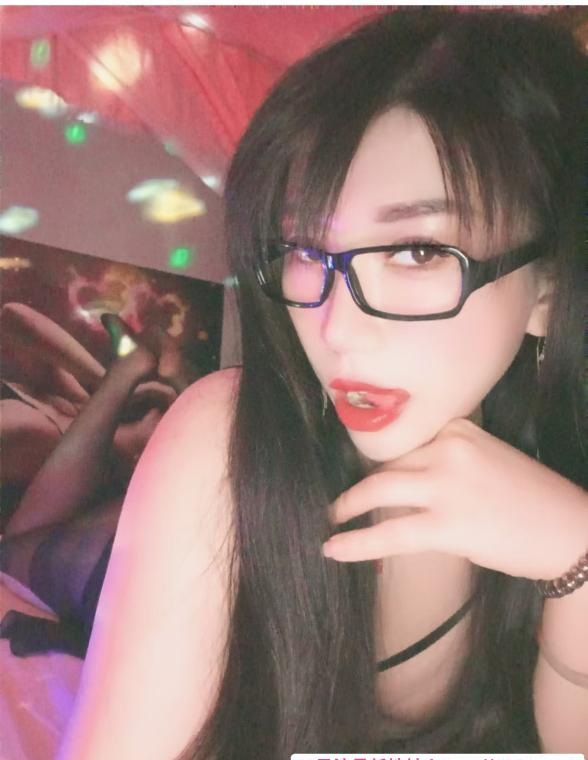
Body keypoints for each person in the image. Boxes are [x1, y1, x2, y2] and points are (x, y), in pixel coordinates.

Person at [56, 9, 587, 760]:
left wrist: (576, 558)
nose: (337, 328)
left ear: (548, 292)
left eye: (416, 250)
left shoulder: (563, 461)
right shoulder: (224, 439)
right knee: (44, 542)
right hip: (88, 560)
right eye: (307, 250)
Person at [1, 314, 195, 657]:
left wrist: (114, 384)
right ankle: (177, 387)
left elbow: (14, 317)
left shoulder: (44, 425)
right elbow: (14, 320)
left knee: (11, 555)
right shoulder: (48, 422)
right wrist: (114, 384)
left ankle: (173, 386)